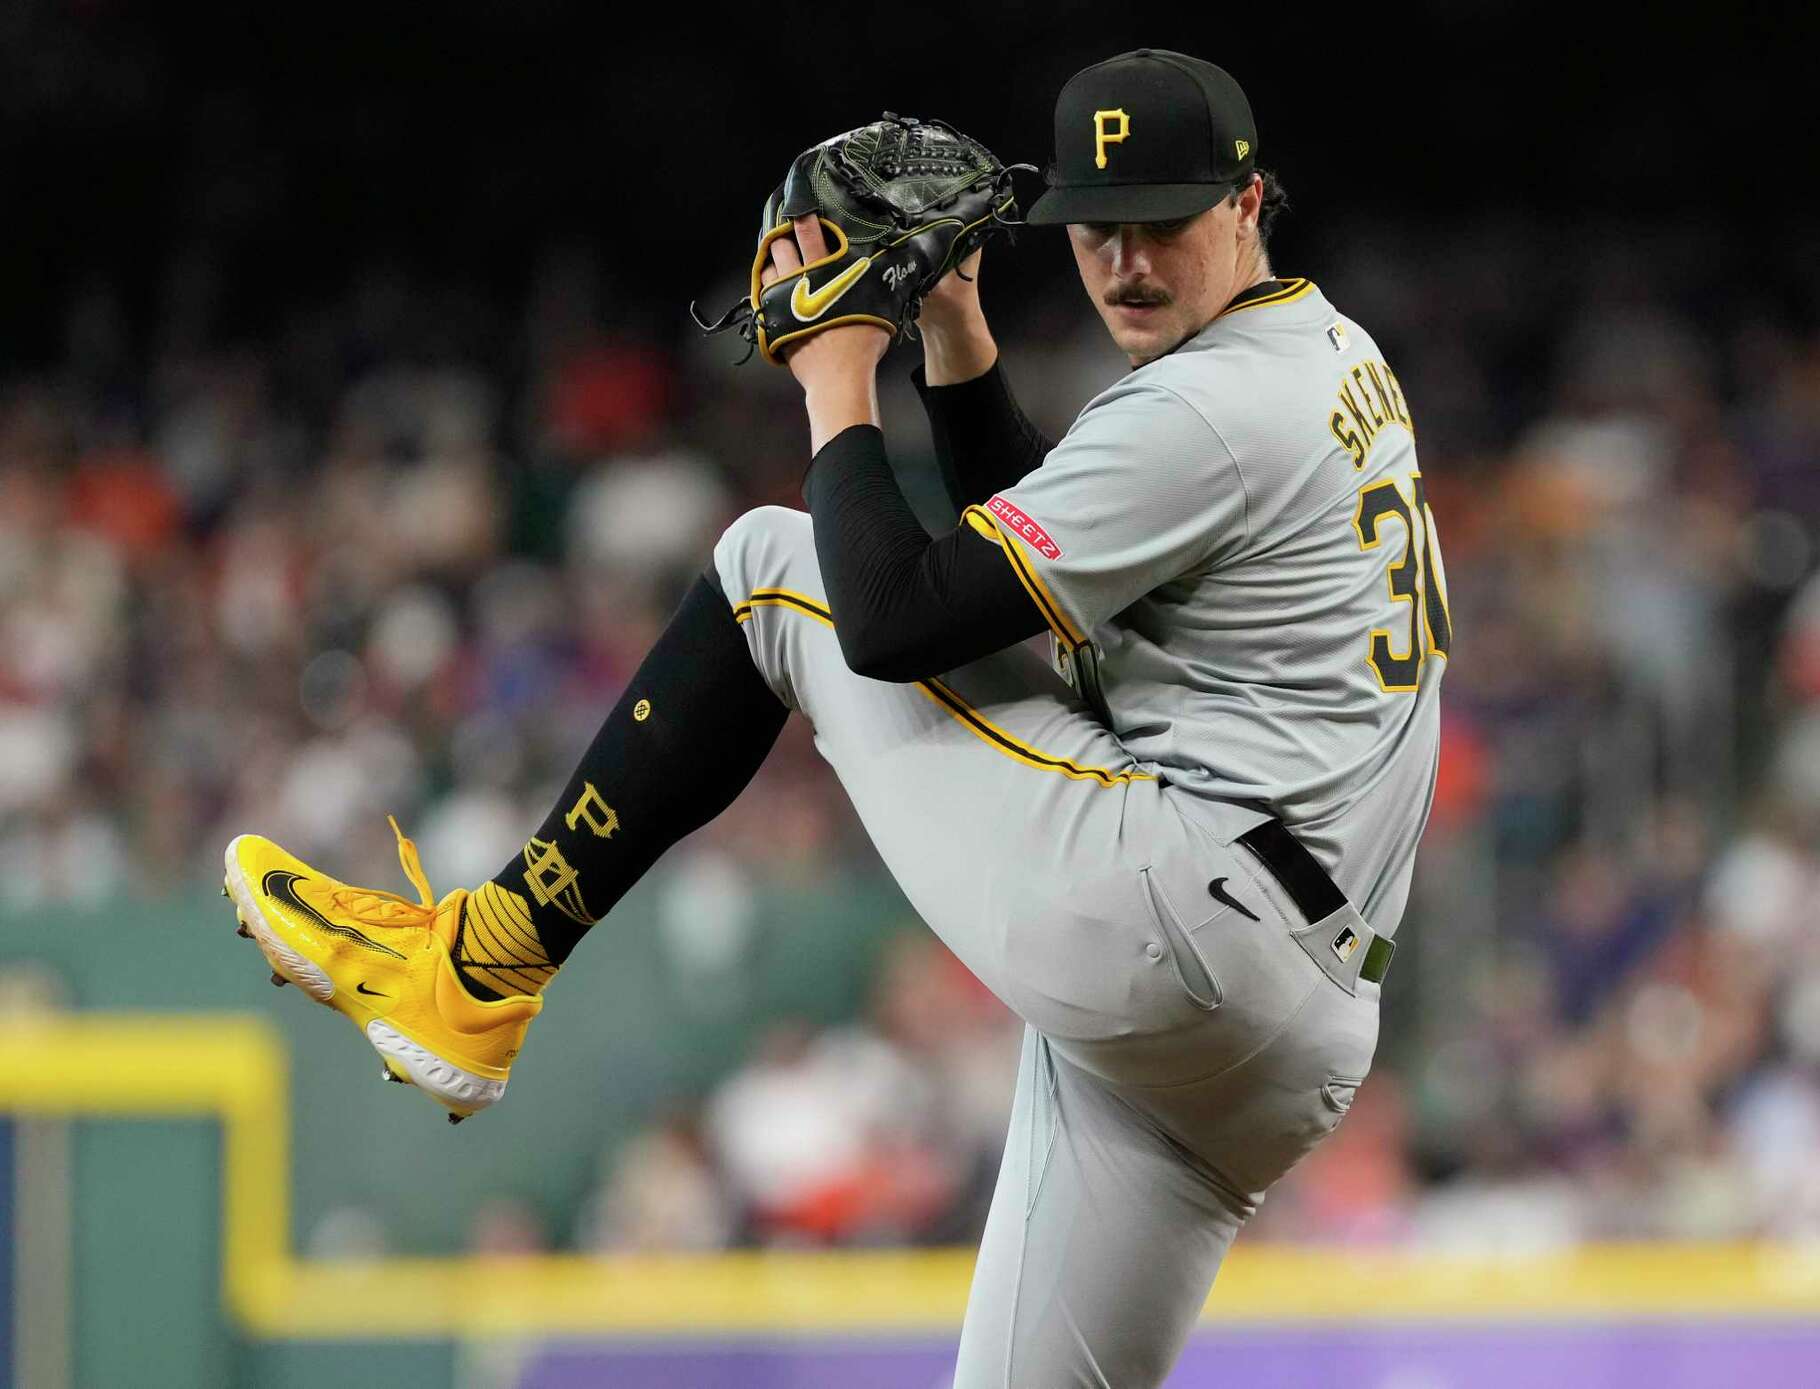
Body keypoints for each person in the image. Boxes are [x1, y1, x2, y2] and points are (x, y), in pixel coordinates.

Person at [224, 48, 1448, 1387]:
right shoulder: (1320, 354)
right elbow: (1037, 588)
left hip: (1187, 925)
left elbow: (898, 620)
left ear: (1248, 203)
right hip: (1270, 1028)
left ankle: (479, 966)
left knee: (768, 569)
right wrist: (954, 338)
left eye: (1164, 222)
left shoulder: (1208, 407)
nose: (1127, 264)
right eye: (1098, 228)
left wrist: (835, 369)